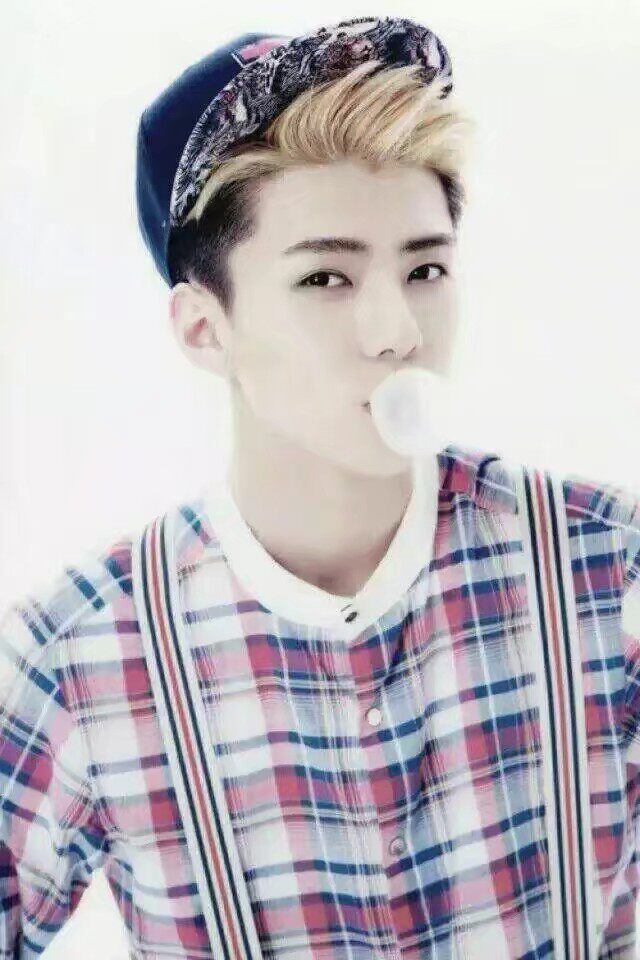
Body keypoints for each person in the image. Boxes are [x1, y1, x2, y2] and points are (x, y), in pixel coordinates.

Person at [1, 15, 639, 959]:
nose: (398, 331)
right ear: (204, 329)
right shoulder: (79, 653)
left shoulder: (608, 568)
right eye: (326, 279)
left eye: (425, 268)